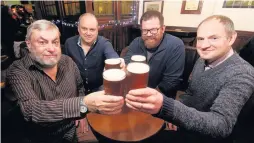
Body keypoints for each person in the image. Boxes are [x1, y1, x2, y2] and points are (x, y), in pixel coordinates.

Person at [125, 15, 254, 143]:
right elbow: (191, 93)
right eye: (200, 39)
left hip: (205, 137)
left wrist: (168, 108)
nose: (204, 45)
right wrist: (176, 114)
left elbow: (221, 126)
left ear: (231, 38)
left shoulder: (241, 73)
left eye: (214, 38)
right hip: (186, 121)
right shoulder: (203, 59)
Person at [4, 19, 124, 143]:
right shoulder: (18, 69)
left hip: (74, 127)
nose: (51, 48)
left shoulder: (68, 61)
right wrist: (83, 105)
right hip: (42, 137)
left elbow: (80, 87)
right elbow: (31, 110)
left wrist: (81, 113)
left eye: (55, 42)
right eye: (43, 42)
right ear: (28, 44)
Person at [123, 10, 185, 98]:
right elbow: (127, 64)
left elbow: (171, 81)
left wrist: (148, 97)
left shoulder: (175, 45)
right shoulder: (136, 42)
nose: (148, 34)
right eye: (144, 30)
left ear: (163, 29)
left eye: (153, 30)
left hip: (161, 98)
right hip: (135, 94)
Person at [64, 13, 124, 95]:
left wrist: (118, 62)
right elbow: (65, 67)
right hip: (77, 90)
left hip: (99, 90)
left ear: (97, 30)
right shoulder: (69, 43)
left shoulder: (104, 43)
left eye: (92, 29)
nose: (88, 33)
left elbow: (113, 57)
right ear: (78, 29)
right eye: (84, 29)